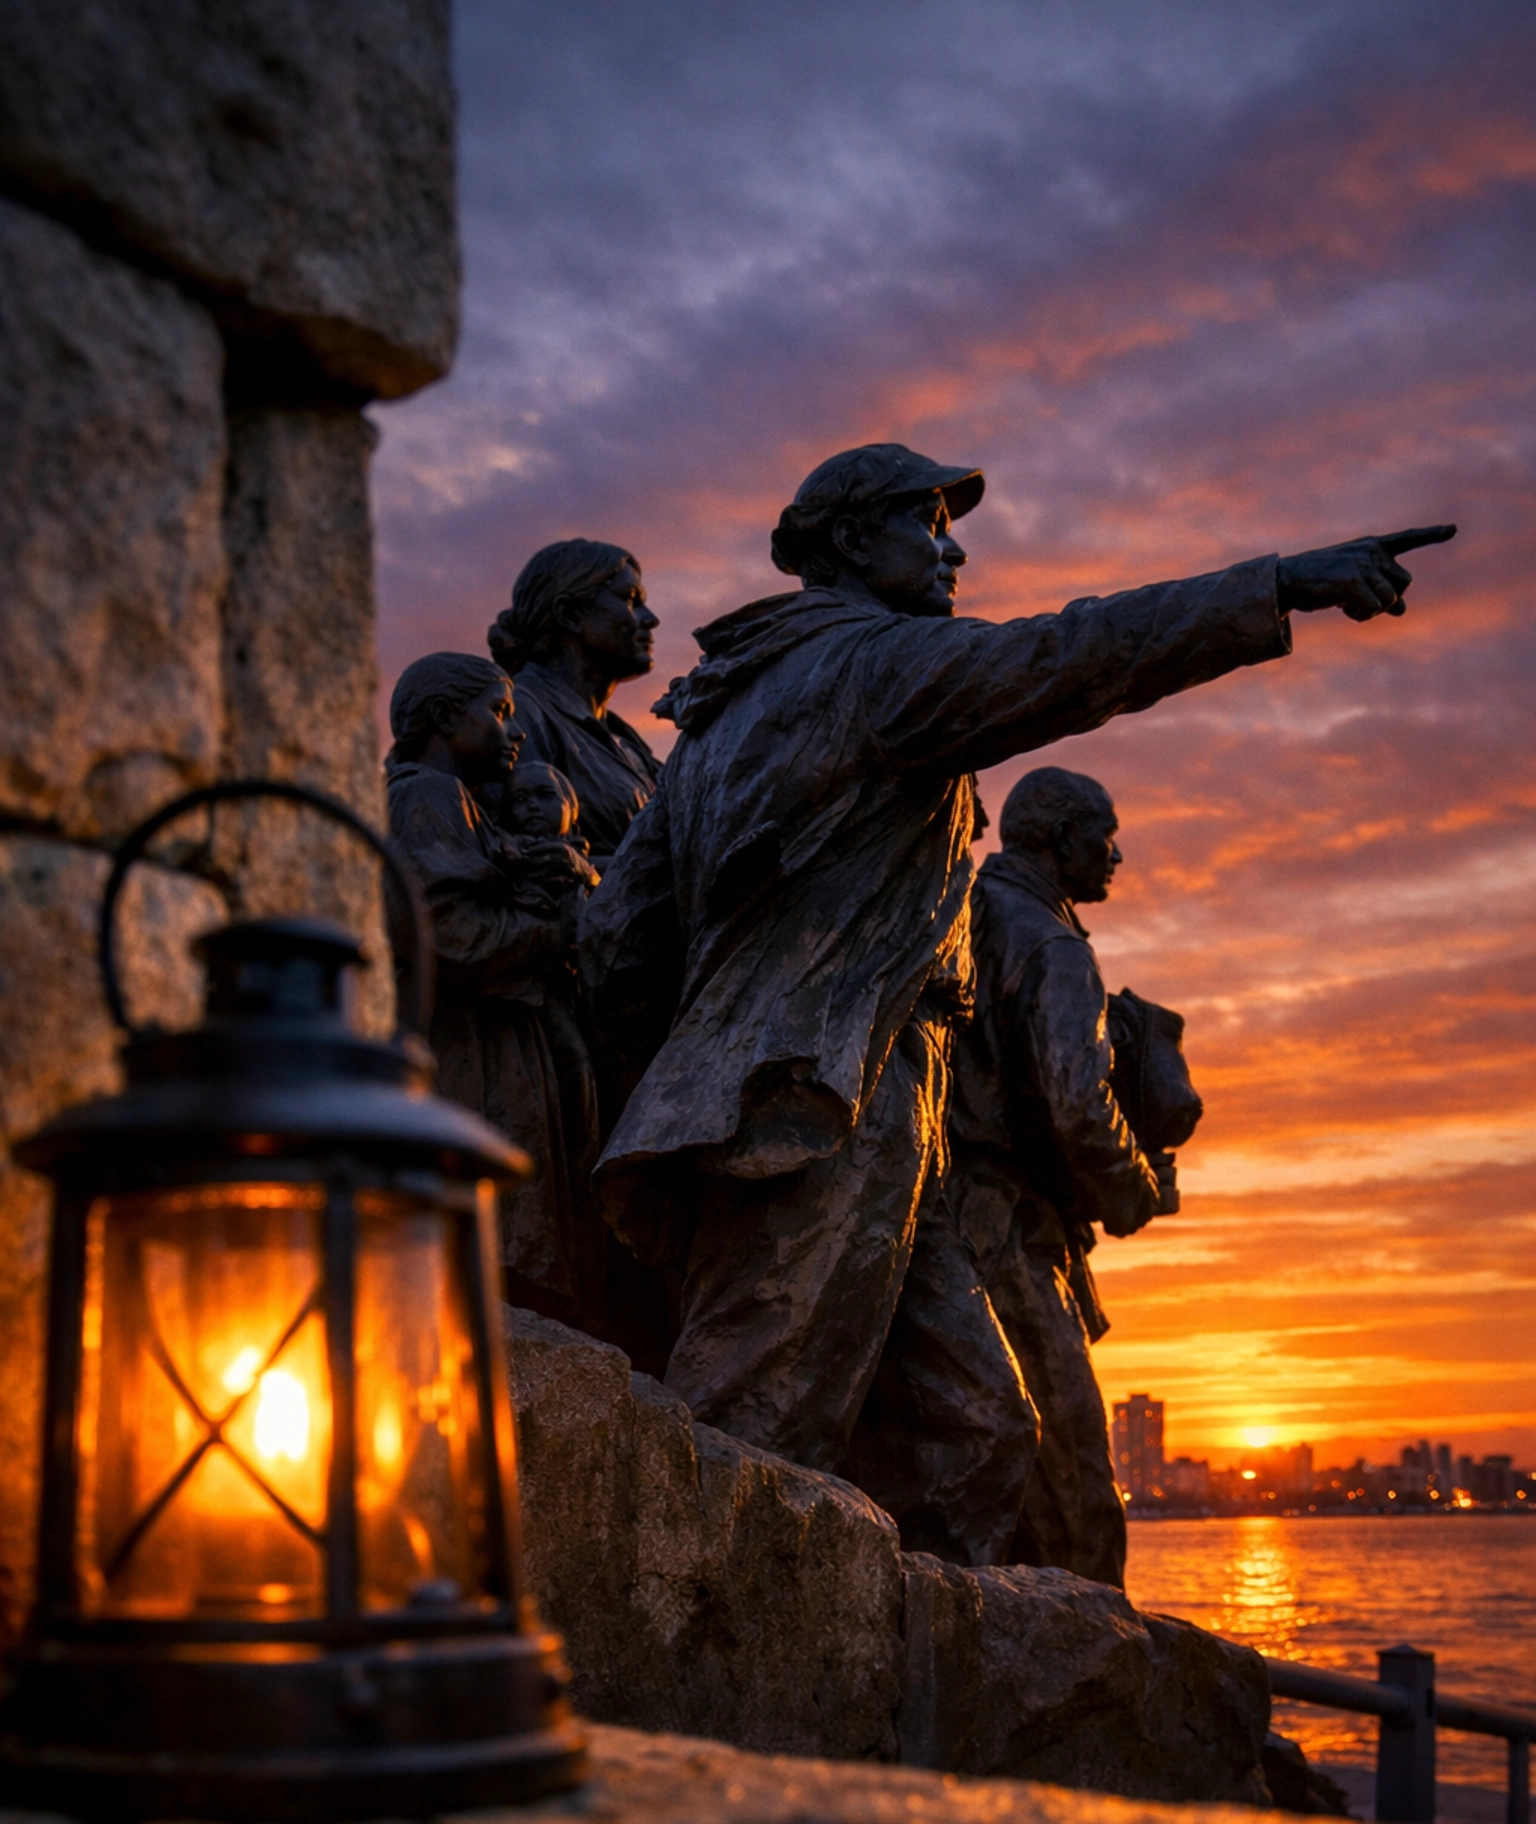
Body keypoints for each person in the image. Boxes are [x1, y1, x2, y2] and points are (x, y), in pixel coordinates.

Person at [584, 441, 1451, 1567]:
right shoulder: (877, 669)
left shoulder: (711, 724)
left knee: (980, 1430)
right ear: (852, 542)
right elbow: (1074, 654)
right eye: (928, 523)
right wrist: (1277, 583)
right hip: (827, 1099)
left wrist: (677, 1093)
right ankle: (652, 1691)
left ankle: (911, 1700)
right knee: (751, 1432)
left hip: (834, 1110)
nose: (951, 552)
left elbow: (619, 944)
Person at [948, 767, 1165, 1589]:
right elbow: (1076, 1105)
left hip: (955, 1221)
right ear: (1056, 835)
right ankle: (1091, 1668)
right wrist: (1134, 1187)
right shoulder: (1048, 941)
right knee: (1074, 1469)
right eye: (1104, 834)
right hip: (1007, 1230)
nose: (1116, 854)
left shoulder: (970, 906)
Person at [384, 653, 604, 1325]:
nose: (516, 733)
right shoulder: (428, 796)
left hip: (498, 1042)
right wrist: (553, 931)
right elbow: (449, 934)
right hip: (474, 1055)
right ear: (448, 718)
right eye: (500, 713)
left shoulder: (465, 807)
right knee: (494, 1259)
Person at [486, 540, 663, 864]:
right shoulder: (521, 714)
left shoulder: (629, 743)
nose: (650, 619)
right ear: (569, 615)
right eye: (630, 599)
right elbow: (530, 859)